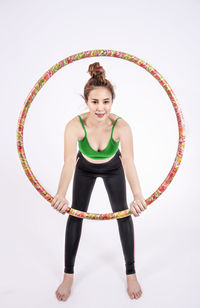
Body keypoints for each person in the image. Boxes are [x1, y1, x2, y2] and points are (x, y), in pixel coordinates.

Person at [51, 62, 147, 301]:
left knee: (123, 214)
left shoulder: (121, 127)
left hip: (114, 169)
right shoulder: (74, 126)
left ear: (112, 102)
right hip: (84, 169)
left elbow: (129, 162)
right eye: (95, 102)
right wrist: (60, 194)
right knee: (76, 215)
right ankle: (68, 275)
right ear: (86, 101)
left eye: (106, 102)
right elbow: (69, 162)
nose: (101, 108)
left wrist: (138, 195)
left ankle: (131, 272)